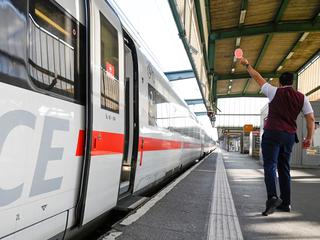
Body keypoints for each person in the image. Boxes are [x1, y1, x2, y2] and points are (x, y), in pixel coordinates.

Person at [239, 57, 315, 216]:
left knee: (270, 166)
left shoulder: (273, 91)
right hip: (288, 136)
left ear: (280, 83)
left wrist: (247, 65)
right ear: (292, 83)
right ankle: (286, 203)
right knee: (284, 168)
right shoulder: (302, 98)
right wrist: (309, 138)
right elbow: (310, 119)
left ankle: (272, 197)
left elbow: (257, 77)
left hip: (273, 133)